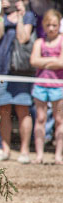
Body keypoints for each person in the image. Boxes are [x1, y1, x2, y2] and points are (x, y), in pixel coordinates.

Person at [0, 0, 35, 162]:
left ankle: (24, 150)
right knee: (3, 109)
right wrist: (2, 13)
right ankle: (5, 148)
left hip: (21, 70)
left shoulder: (29, 16)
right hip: (1, 68)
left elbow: (23, 37)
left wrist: (20, 15)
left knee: (23, 109)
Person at [29, 9, 63, 165]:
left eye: (54, 25)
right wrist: (53, 61)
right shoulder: (39, 42)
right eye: (48, 25)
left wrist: (44, 61)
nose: (51, 28)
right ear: (43, 25)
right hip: (41, 85)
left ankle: (58, 155)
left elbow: (61, 63)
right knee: (40, 119)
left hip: (58, 86)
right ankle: (39, 155)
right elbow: (33, 61)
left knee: (59, 120)